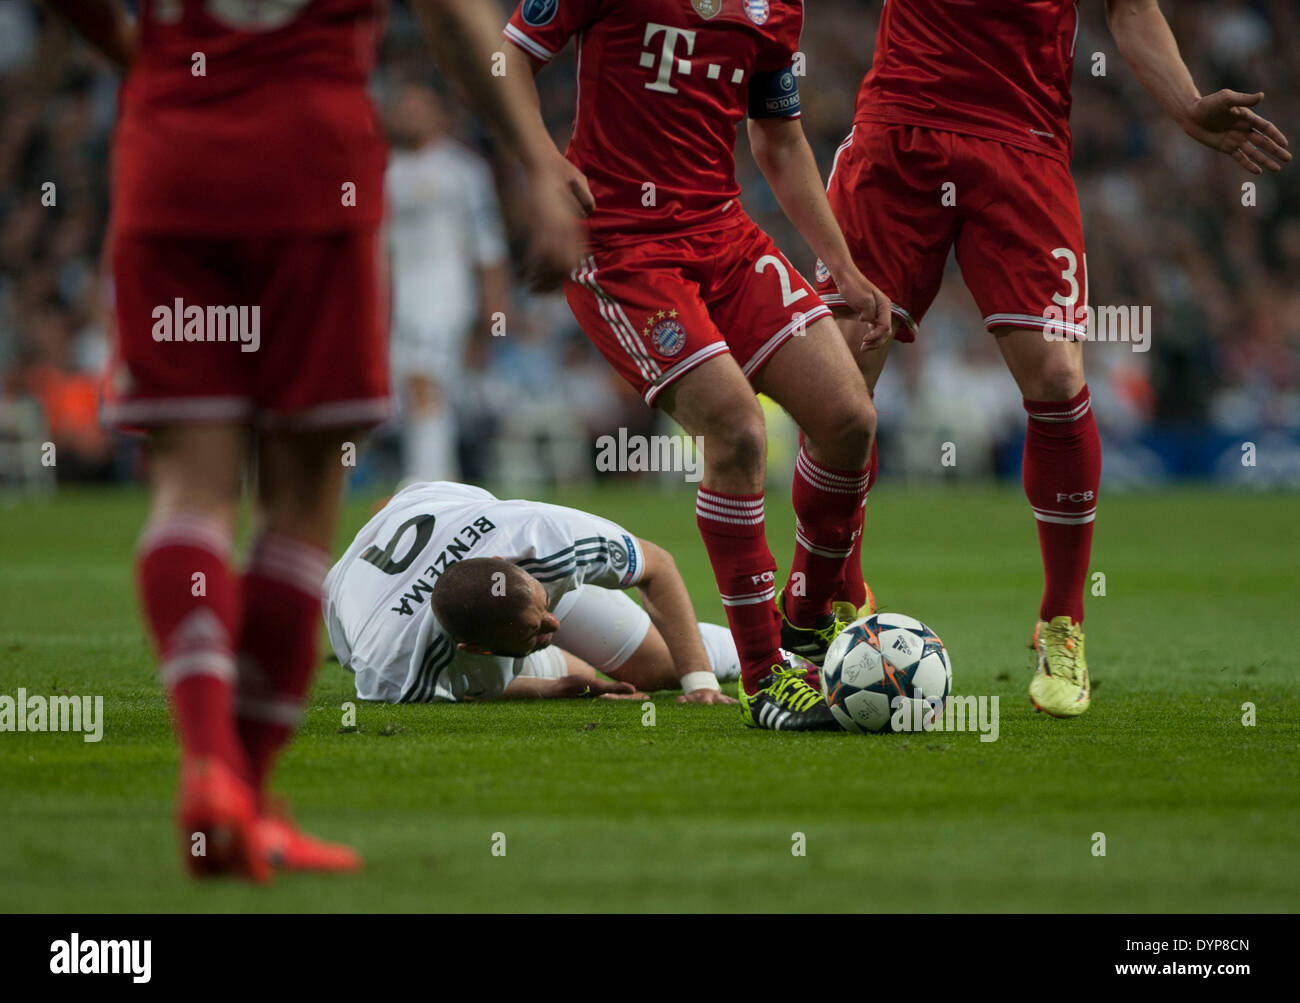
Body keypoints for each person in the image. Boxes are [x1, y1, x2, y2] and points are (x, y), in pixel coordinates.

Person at [45, 0, 588, 882]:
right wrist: (533, 157)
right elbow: (455, 16)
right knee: (297, 508)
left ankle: (210, 771)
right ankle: (247, 792)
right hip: (311, 166)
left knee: (191, 493)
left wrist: (145, 57)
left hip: (171, 157)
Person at [819, 0, 1291, 718]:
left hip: (1022, 144)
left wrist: (1189, 106)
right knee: (844, 385)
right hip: (901, 128)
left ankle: (1062, 621)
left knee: (1060, 376)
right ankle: (835, 597)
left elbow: (1130, 9)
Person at [503, 0, 893, 731]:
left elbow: (777, 137)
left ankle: (806, 616)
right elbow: (511, 55)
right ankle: (766, 676)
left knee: (849, 419)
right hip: (620, 246)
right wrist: (542, 160)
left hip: (722, 232)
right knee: (738, 430)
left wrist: (841, 264)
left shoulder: (777, 7)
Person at [325, 481, 741, 704]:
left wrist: (700, 682)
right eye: (535, 633)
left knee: (658, 668)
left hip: (440, 505)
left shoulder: (544, 538)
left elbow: (659, 566)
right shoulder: (393, 668)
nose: (553, 624)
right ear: (476, 648)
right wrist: (550, 688)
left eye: (544, 611)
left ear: (515, 567)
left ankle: (775, 648)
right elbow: (463, 689)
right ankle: (536, 651)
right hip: (371, 599)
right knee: (577, 675)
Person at [385, 81, 509, 483]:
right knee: (412, 394)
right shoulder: (384, 171)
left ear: (439, 115)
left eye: (417, 106)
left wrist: (493, 312)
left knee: (425, 383)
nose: (407, 115)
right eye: (402, 106)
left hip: (444, 299)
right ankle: (440, 485)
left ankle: (424, 483)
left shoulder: (462, 170)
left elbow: (487, 247)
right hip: (396, 302)